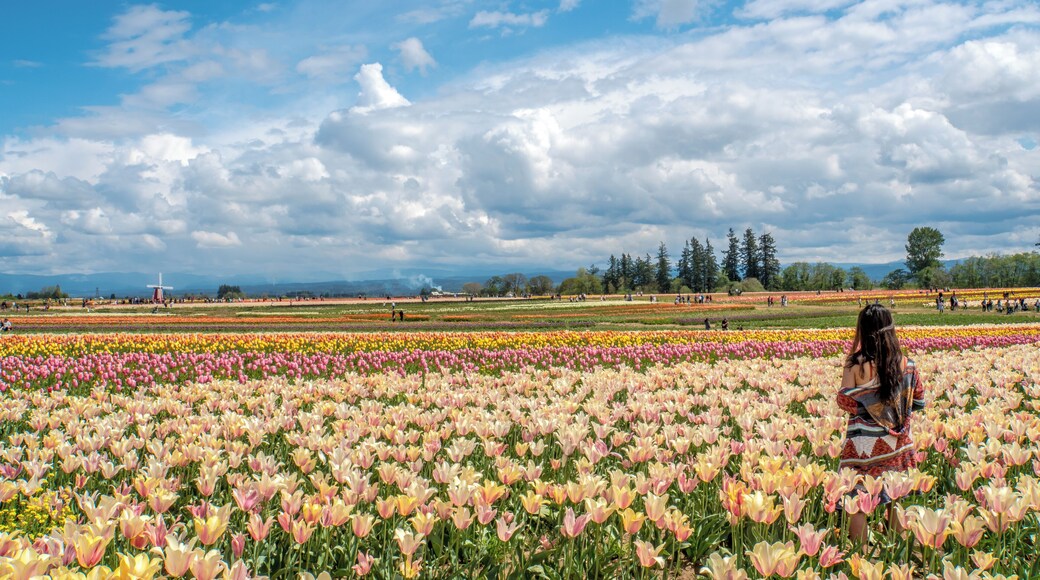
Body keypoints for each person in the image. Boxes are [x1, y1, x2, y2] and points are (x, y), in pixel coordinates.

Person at [837, 304, 926, 546]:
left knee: (856, 501)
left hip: (863, 446)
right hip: (897, 443)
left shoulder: (855, 364)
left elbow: (845, 400)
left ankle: (862, 555)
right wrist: (892, 410)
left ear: (863, 331)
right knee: (894, 496)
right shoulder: (907, 364)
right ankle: (896, 551)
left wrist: (868, 403)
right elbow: (919, 400)